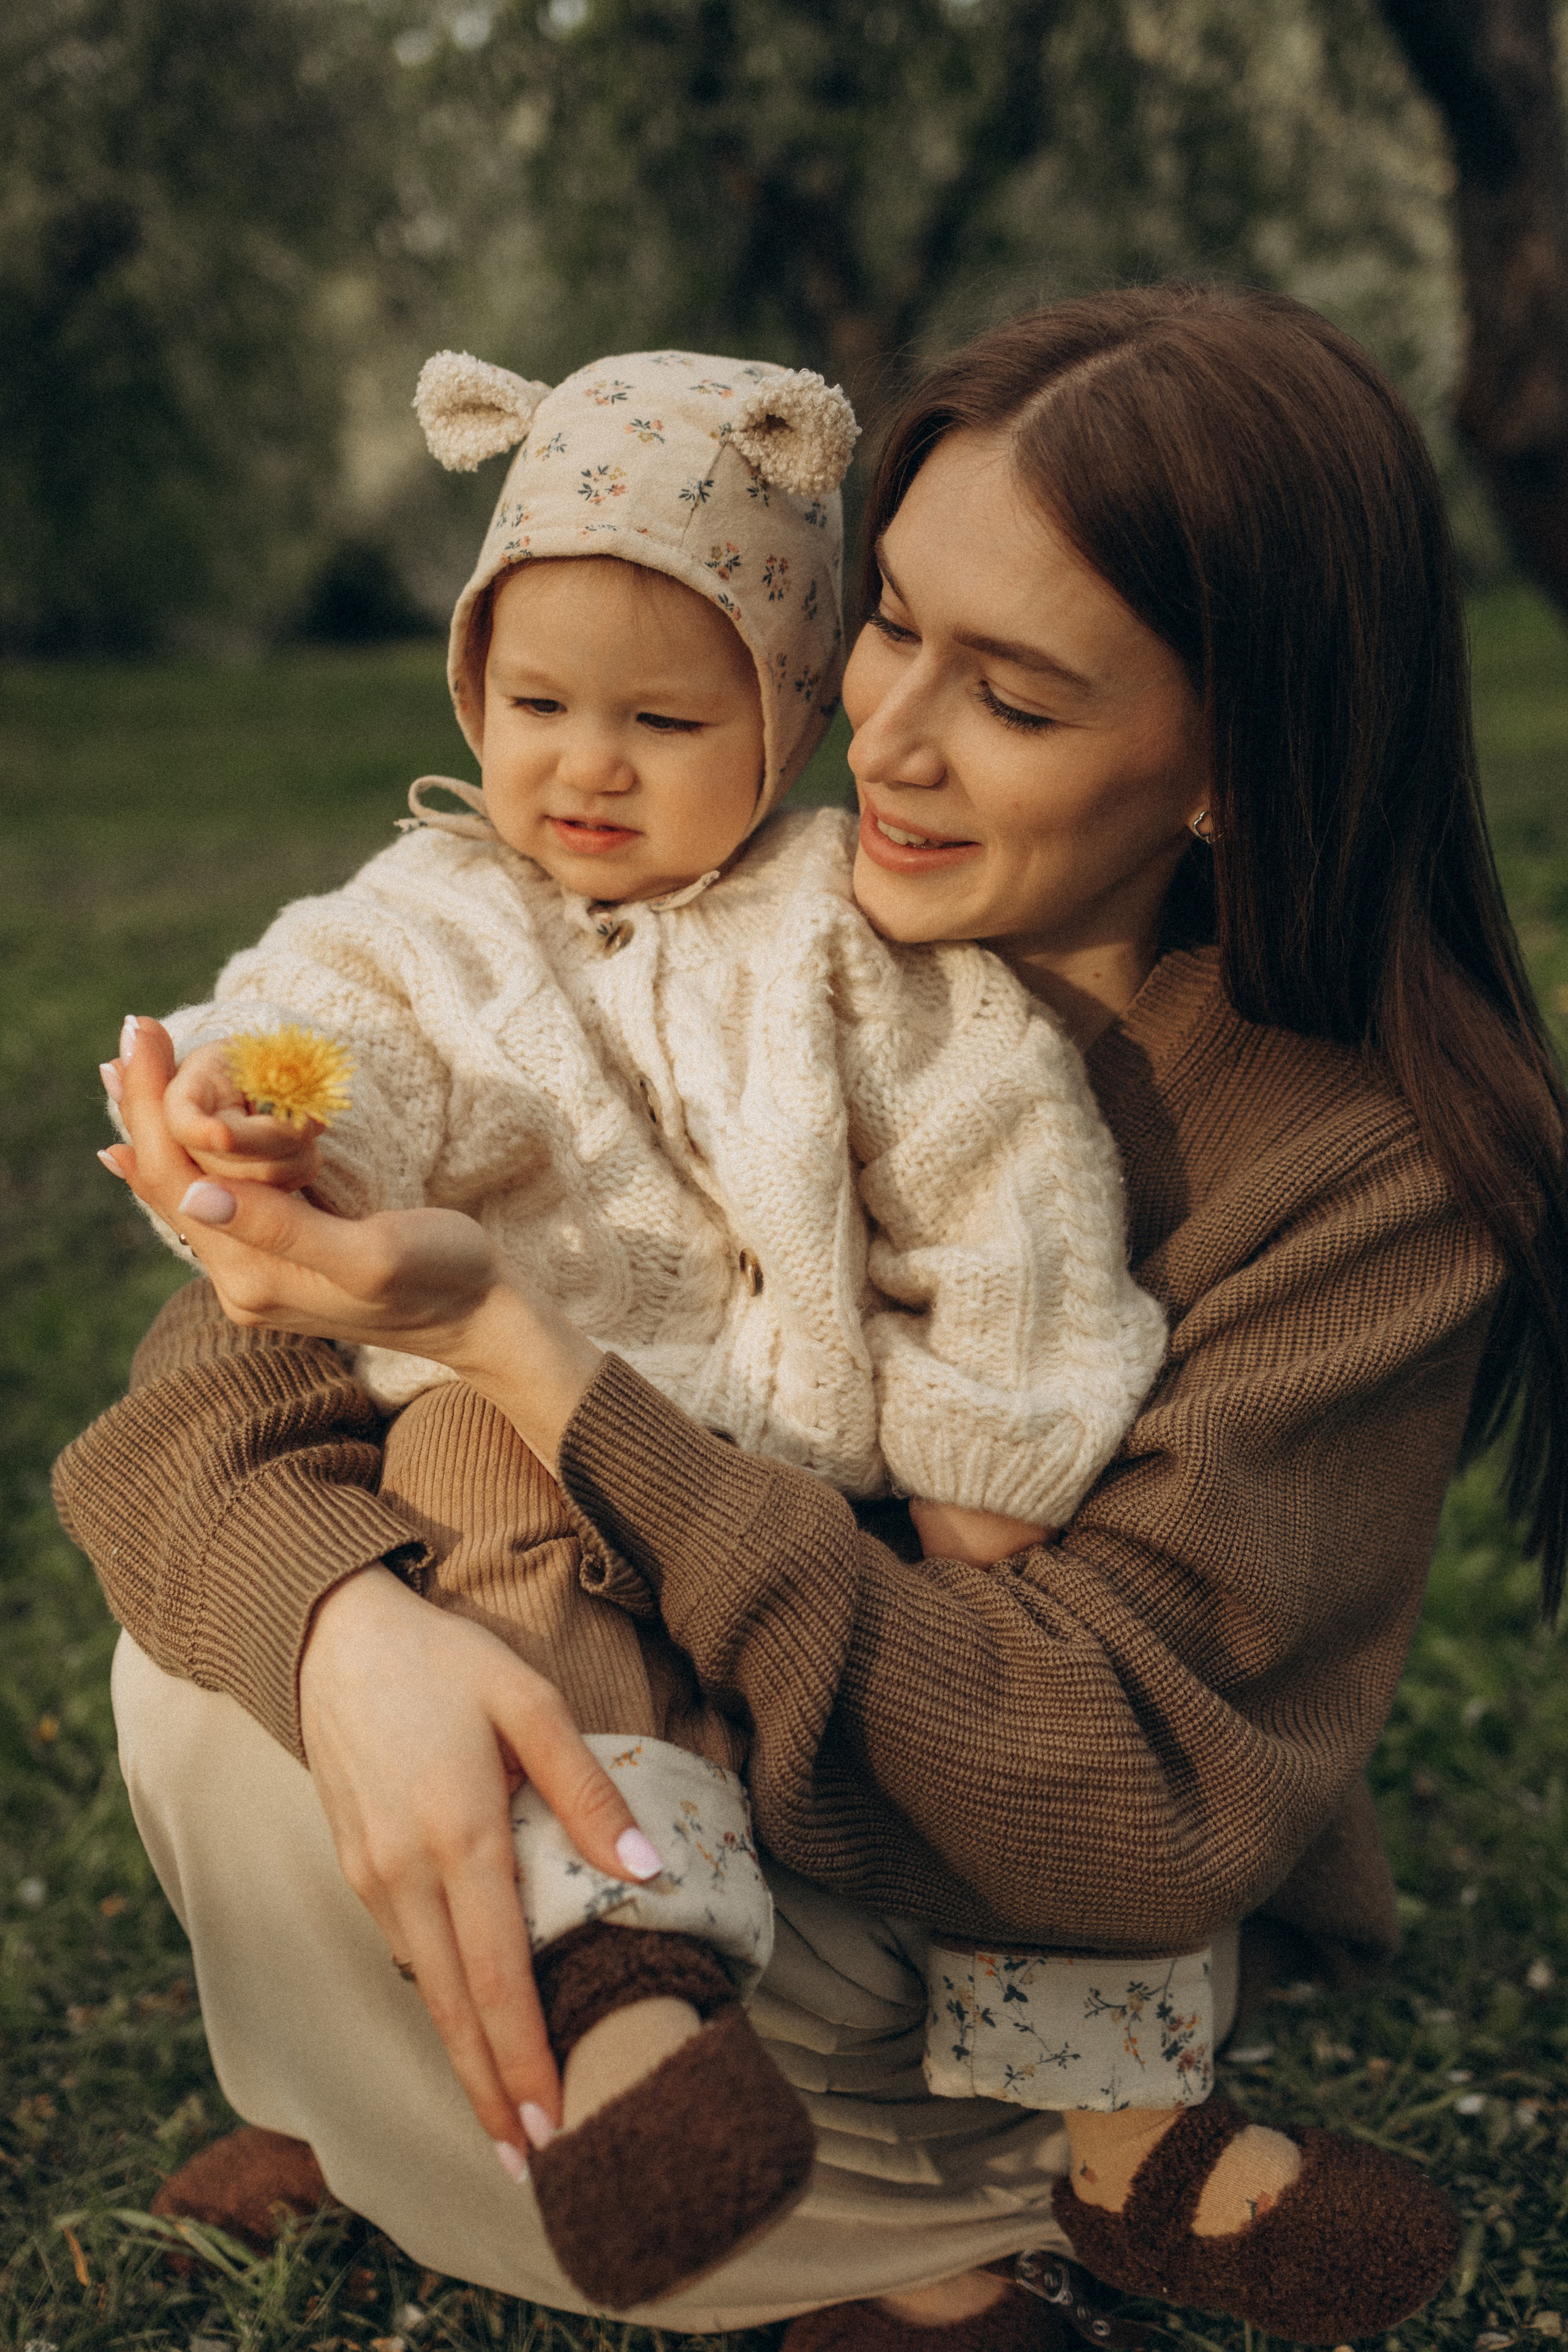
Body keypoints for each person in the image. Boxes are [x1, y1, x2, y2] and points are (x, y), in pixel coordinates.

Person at [55, 284, 1567, 2350]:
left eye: (1020, 702)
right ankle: (438, 2124)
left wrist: (535, 1362)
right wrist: (353, 1630)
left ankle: (958, 2237)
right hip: (651, 1752)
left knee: (417, 1724)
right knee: (235, 1674)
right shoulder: (699, 905)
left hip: (963, 1889)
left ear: (1235, 757)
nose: (891, 737)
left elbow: (1104, 1794)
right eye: (888, 627)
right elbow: (188, 1412)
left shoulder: (1359, 1174)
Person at [97, 340, 1175, 2308]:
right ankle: (598, 2020)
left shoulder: (851, 927)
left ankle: (1093, 2163)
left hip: (792, 1489)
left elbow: (999, 1167)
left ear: (777, 725)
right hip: (504, 1443)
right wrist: (269, 1097)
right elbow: (341, 1016)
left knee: (1009, 1741)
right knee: (459, 1603)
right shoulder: (440, 907)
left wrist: (991, 1443)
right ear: (469, 694)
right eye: (534, 704)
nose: (584, 766)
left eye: (664, 720)